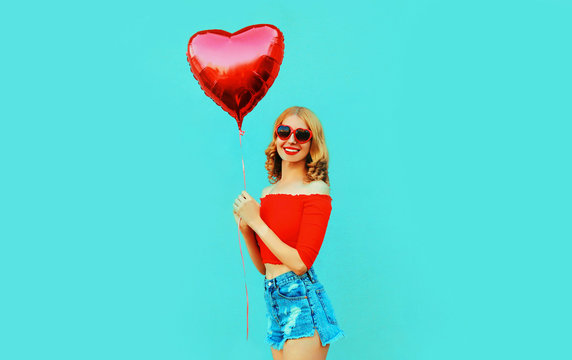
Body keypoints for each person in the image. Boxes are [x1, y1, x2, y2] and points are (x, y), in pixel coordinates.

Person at [232, 106, 345, 359]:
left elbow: (300, 263)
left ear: (312, 144)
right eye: (284, 132)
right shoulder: (267, 194)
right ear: (275, 137)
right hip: (273, 297)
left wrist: (257, 222)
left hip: (302, 300)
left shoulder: (316, 189)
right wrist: (246, 229)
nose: (291, 139)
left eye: (301, 135)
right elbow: (265, 267)